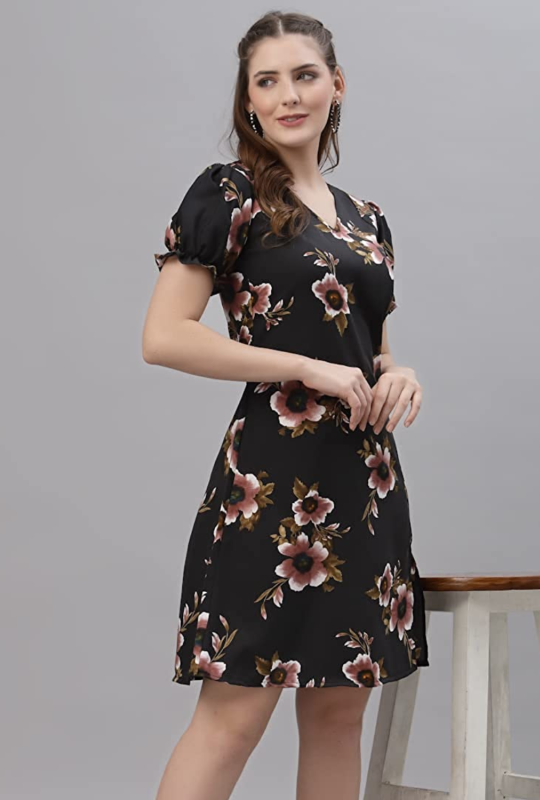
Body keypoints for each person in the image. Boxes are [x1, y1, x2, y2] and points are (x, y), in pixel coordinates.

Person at [143, 11, 429, 800]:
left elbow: (368, 350)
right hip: (269, 486)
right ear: (249, 101)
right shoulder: (227, 195)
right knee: (233, 718)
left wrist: (400, 374)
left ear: (337, 85)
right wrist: (305, 368)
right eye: (266, 82)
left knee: (339, 716)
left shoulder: (367, 219)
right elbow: (164, 337)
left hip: (364, 486)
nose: (287, 95)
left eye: (304, 76)